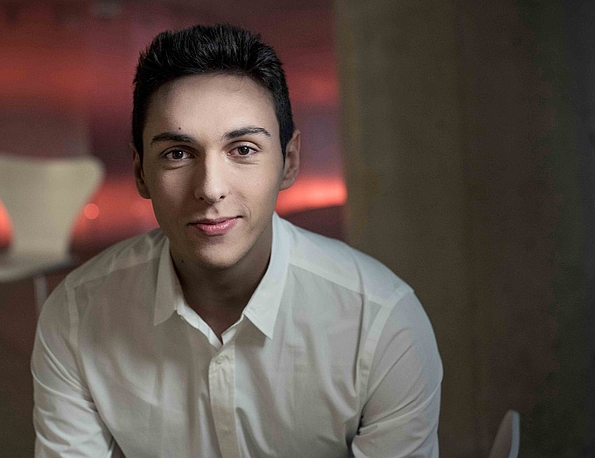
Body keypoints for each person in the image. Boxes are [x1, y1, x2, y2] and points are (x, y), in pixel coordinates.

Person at [31, 24, 443, 457]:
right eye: (178, 154)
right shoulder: (76, 318)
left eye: (243, 149)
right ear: (140, 172)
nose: (210, 188)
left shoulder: (379, 322)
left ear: (289, 161)